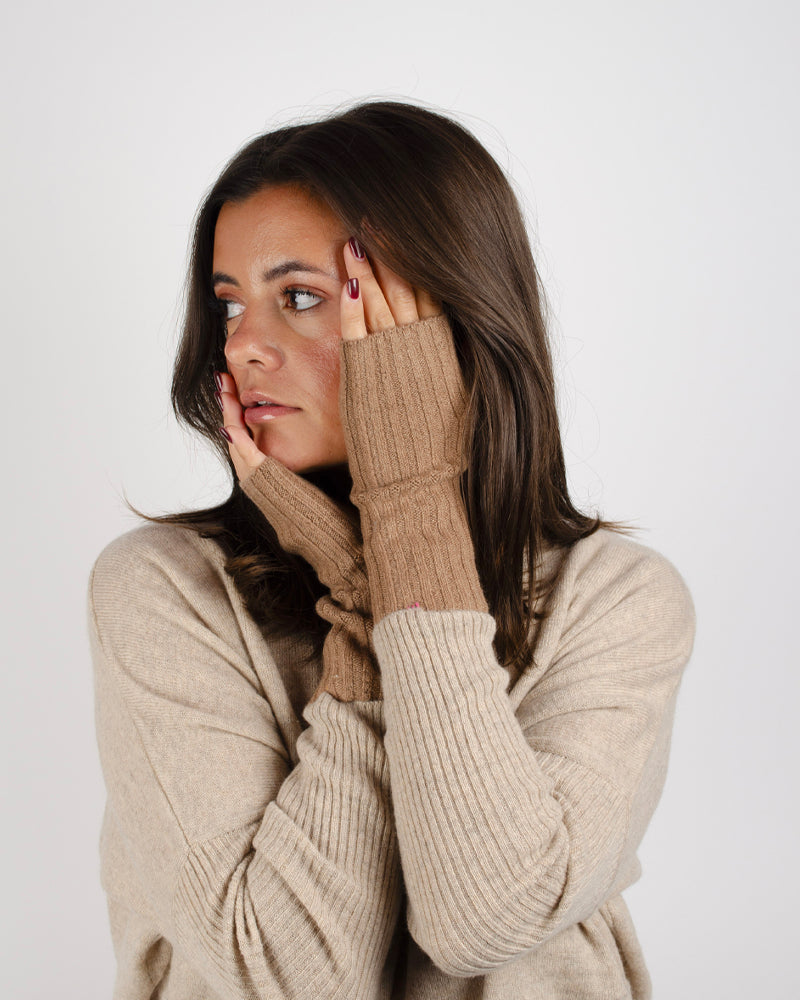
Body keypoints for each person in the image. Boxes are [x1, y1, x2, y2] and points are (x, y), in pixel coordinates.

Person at [89, 100, 695, 1000]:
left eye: (300, 298)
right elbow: (288, 977)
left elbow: (485, 919)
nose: (243, 346)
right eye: (229, 305)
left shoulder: (618, 601)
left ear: (447, 322)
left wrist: (408, 519)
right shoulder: (164, 589)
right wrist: (367, 595)